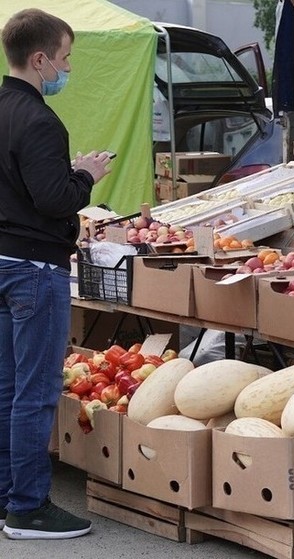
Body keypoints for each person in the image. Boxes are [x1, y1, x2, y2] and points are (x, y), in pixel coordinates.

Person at [0, 8, 113, 540]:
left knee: (6, 387)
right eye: (65, 58)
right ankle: (28, 507)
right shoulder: (41, 120)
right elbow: (53, 198)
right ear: (40, 59)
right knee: (36, 391)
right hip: (34, 269)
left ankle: (7, 496)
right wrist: (85, 175)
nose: (67, 68)